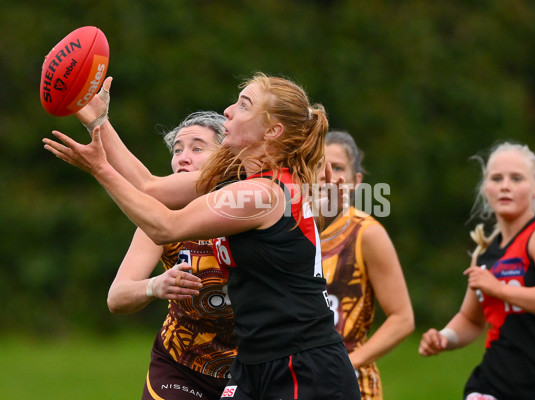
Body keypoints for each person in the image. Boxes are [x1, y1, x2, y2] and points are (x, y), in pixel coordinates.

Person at [43, 73, 361, 400]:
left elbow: (165, 225)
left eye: (244, 105)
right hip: (255, 363)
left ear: (272, 130)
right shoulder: (238, 182)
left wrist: (101, 170)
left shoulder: (262, 193)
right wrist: (98, 121)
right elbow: (150, 186)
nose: (228, 110)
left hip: (302, 366)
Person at [418, 141, 535, 400]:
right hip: (494, 384)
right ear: (486, 189)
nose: (505, 185)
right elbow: (471, 319)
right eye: (496, 178)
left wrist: (498, 289)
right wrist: (443, 338)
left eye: (517, 178)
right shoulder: (483, 253)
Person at [107, 111, 236, 400]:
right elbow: (117, 297)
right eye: (177, 150)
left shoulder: (248, 206)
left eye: (197, 148)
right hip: (180, 365)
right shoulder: (161, 217)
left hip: (250, 368)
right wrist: (155, 285)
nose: (183, 157)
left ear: (226, 157)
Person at [317, 131, 414, 400]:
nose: (326, 174)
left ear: (356, 181)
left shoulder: (367, 233)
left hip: (351, 383)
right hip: (298, 379)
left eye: (337, 167)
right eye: (317, 164)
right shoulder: (291, 229)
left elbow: (402, 319)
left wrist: (348, 363)